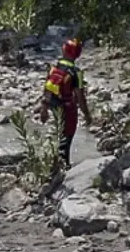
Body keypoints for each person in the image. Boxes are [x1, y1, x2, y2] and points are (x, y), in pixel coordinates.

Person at [36, 38, 94, 171]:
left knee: (58, 136)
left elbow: (47, 89)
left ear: (64, 50)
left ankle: (55, 166)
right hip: (68, 108)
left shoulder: (54, 68)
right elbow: (80, 97)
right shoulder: (76, 72)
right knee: (66, 139)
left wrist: (44, 109)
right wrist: (87, 115)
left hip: (54, 105)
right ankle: (64, 168)